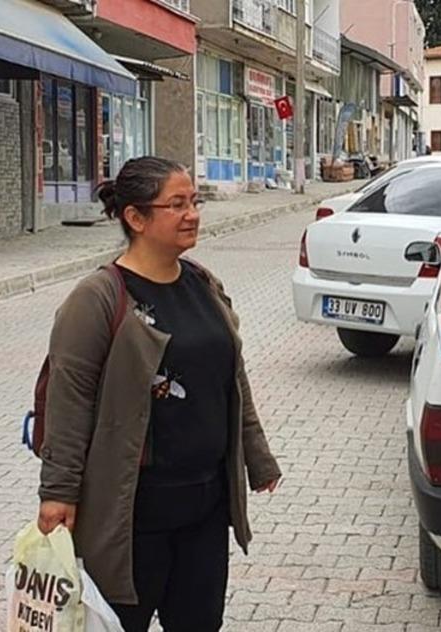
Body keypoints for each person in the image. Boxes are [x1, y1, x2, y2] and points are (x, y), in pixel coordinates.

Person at [36, 156, 282, 632]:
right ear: (136, 217)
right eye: (176, 204)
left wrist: (258, 457)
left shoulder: (203, 284)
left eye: (193, 201)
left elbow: (232, 380)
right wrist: (58, 493)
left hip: (206, 505)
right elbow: (70, 401)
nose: (192, 213)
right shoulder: (99, 298)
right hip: (131, 512)